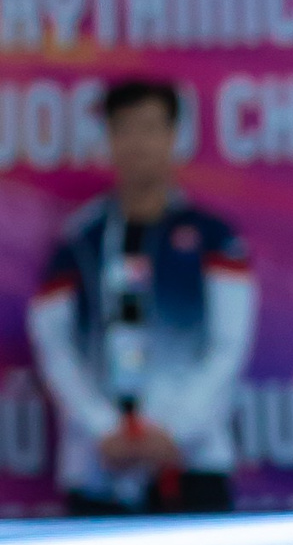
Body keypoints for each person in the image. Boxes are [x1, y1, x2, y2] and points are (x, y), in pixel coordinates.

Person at [26, 78, 257, 514]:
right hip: (100, 467)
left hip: (191, 464)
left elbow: (230, 345)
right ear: (109, 140)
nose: (139, 144)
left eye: (151, 129)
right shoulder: (80, 242)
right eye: (126, 129)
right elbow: (54, 345)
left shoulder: (214, 238)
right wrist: (103, 428)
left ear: (173, 137)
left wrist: (173, 431)